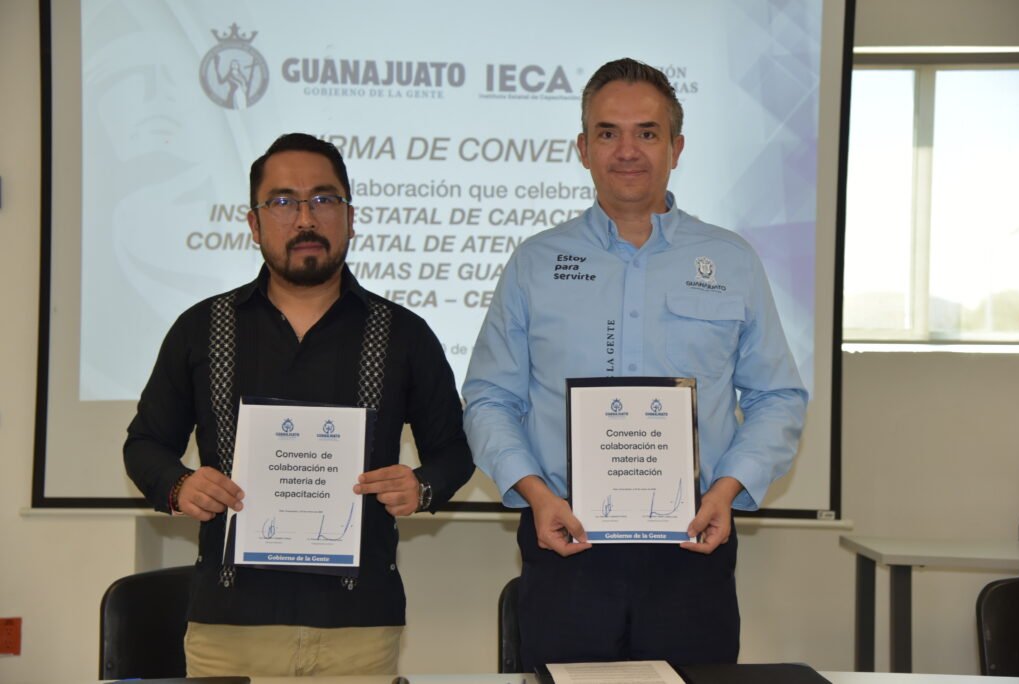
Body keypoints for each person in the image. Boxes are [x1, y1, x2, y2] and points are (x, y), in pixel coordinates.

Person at [462, 58, 808, 670]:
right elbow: (490, 398)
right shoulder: (534, 264)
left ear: (676, 147)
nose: (627, 151)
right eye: (608, 133)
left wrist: (727, 489)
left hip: (692, 555)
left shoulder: (731, 261)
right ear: (583, 148)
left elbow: (777, 397)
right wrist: (534, 493)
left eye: (647, 133)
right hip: (566, 546)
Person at [124, 132, 474, 677]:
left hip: (359, 628)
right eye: (283, 202)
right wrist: (179, 485)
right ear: (254, 224)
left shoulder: (405, 334)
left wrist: (421, 486)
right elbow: (145, 444)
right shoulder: (201, 328)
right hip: (228, 628)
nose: (306, 218)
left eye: (324, 199)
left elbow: (454, 450)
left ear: (351, 218)